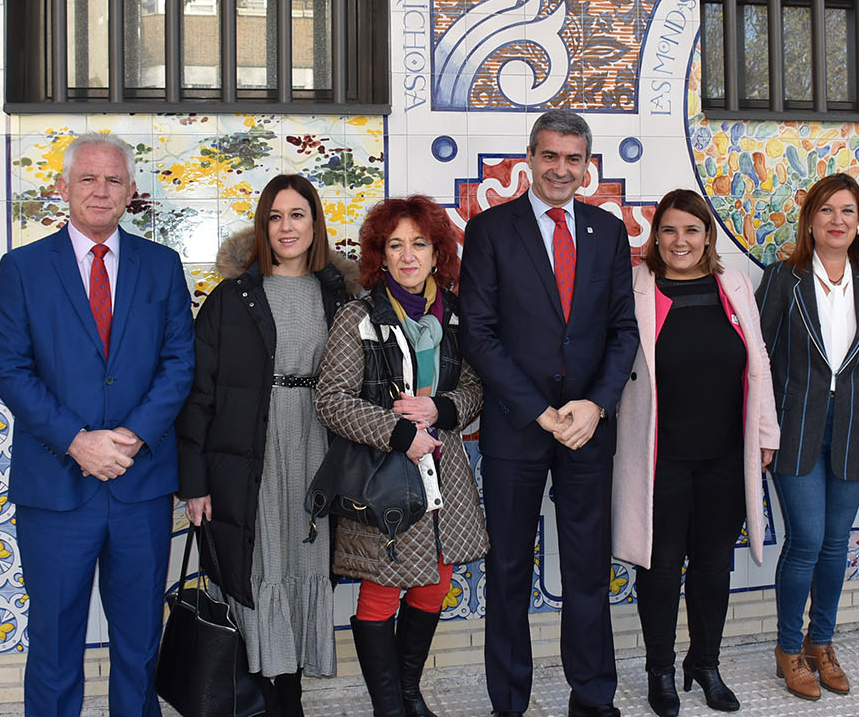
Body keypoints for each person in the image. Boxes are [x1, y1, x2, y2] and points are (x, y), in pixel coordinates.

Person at [0, 133, 196, 717]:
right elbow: (11, 369)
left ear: (131, 192)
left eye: (113, 181)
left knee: (138, 643)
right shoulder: (22, 269)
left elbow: (180, 362)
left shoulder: (162, 266)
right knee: (54, 641)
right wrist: (78, 442)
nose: (101, 191)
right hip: (56, 487)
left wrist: (128, 438)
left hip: (140, 484)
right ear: (63, 188)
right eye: (88, 179)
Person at [460, 109, 639, 717]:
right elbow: (478, 335)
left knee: (588, 571)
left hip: (588, 430)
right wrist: (539, 411)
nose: (561, 169)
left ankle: (593, 700)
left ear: (587, 166)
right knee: (508, 571)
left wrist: (595, 404)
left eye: (573, 158)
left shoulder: (608, 233)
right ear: (529, 158)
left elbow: (623, 331)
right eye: (550, 156)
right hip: (516, 429)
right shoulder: (489, 230)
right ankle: (508, 703)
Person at [176, 174, 358, 716]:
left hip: (319, 447)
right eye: (275, 216)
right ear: (263, 225)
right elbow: (197, 396)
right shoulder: (230, 300)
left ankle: (291, 692)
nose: (286, 227)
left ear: (315, 222)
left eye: (297, 214)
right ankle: (266, 694)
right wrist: (194, 482)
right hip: (249, 454)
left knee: (308, 564)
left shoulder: (341, 296)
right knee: (258, 568)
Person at [315, 195, 489, 717]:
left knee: (435, 582)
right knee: (382, 589)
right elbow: (331, 401)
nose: (408, 256)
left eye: (419, 244)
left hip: (446, 472)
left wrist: (440, 407)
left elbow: (477, 387)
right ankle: (388, 706)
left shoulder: (455, 315)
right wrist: (397, 433)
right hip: (385, 474)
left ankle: (409, 693)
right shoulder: (359, 317)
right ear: (380, 255)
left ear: (438, 253)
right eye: (395, 245)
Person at [613, 189, 780, 715]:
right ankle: (660, 669)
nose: (680, 241)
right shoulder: (636, 287)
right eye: (669, 230)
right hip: (658, 456)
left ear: (708, 235)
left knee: (712, 567)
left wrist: (766, 435)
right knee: (659, 569)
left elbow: (760, 362)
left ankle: (704, 663)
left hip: (726, 455)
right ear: (655, 236)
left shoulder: (731, 285)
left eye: (691, 230)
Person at [755, 172, 859, 700]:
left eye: (847, 211)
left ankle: (822, 642)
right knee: (807, 541)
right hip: (794, 431)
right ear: (810, 222)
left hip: (856, 434)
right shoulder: (781, 279)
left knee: (837, 545)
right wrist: (762, 431)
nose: (837, 221)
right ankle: (789, 650)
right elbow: (759, 361)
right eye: (826, 211)